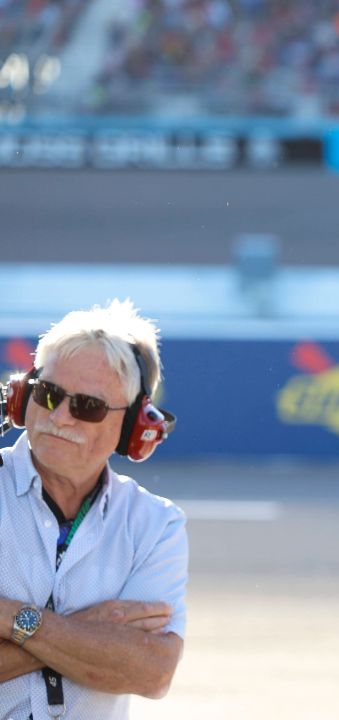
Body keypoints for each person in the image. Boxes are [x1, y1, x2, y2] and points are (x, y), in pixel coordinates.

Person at [0, 300, 186, 719]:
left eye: (88, 406)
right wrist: (93, 632)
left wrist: (13, 618)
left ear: (136, 426)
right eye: (48, 394)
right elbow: (123, 660)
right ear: (23, 395)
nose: (61, 417)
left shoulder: (156, 525)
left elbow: (152, 672)